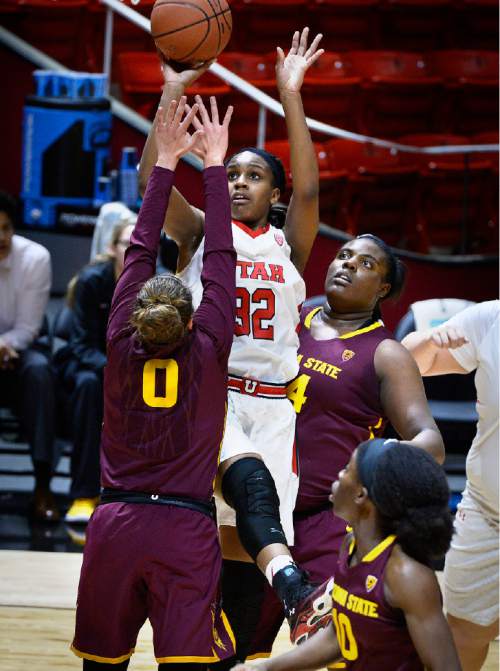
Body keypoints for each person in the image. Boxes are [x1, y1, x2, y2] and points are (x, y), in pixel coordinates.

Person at [139, 28, 330, 654]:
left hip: (274, 403)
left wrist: (290, 96)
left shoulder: (288, 243)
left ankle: (240, 653)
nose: (241, 183)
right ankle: (289, 599)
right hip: (211, 395)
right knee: (241, 509)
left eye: (255, 177)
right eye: (235, 172)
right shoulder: (200, 234)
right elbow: (154, 181)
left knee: (247, 541)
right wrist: (172, 89)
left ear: (274, 197)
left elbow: (311, 190)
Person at [71, 95, 237, 669]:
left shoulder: (118, 342)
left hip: (116, 523)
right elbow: (220, 254)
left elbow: (137, 249)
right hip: (184, 528)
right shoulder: (211, 347)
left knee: (102, 664)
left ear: (131, 309)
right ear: (195, 320)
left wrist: (166, 161)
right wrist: (213, 165)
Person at [248, 233, 446, 654]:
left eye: (366, 264)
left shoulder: (386, 353)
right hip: (260, 513)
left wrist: (373, 457)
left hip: (326, 522)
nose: (348, 265)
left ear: (383, 289)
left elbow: (430, 441)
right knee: (237, 649)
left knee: (339, 651)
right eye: (343, 255)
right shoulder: (290, 317)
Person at [234, 439, 462, 671]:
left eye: (347, 470)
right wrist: (266, 668)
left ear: (361, 495)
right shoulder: (351, 546)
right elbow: (338, 635)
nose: (339, 475)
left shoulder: (405, 575)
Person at [401, 300, 499, 671]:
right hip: (487, 512)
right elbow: (407, 359)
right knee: (462, 631)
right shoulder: (490, 318)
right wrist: (429, 340)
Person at [55, 219, 134, 523]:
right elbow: (80, 345)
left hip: (130, 371)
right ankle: (83, 494)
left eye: (141, 242)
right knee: (89, 385)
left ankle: (135, 498)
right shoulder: (92, 281)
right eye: (128, 243)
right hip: (87, 365)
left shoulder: (157, 282)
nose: (134, 249)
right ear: (113, 248)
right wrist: (116, 373)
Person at [0, 190, 59, 521]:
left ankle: (42, 486)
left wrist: (4, 346)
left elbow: (28, 327)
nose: (1, 237)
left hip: (20, 351)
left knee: (40, 373)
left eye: (6, 228)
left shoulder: (35, 257)